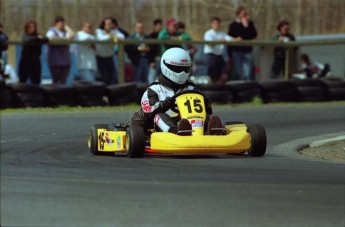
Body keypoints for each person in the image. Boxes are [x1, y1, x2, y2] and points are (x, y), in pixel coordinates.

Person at [128, 47, 222, 136]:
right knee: (159, 116)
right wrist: (163, 105)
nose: (182, 73)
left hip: (187, 123)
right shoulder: (155, 89)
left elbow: (206, 110)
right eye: (178, 69)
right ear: (166, 66)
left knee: (204, 116)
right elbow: (148, 111)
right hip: (162, 127)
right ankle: (176, 132)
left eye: (185, 69)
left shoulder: (191, 88)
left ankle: (212, 130)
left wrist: (206, 103)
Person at [204, 17, 239, 84]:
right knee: (212, 76)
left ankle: (219, 88)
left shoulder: (222, 34)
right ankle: (213, 90)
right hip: (211, 56)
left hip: (219, 56)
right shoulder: (208, 33)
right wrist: (219, 41)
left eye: (218, 23)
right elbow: (210, 44)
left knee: (224, 74)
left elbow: (230, 39)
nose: (216, 25)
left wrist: (237, 39)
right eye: (215, 23)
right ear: (211, 24)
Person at [228, 6, 257, 80]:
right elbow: (229, 38)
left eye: (245, 14)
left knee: (247, 72)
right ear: (238, 14)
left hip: (247, 51)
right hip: (236, 51)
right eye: (243, 14)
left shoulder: (250, 24)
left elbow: (253, 35)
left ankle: (246, 87)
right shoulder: (233, 25)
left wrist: (246, 26)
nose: (245, 16)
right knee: (238, 72)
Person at [95, 17, 125, 85]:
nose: (109, 25)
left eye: (110, 24)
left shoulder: (114, 31)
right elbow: (101, 39)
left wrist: (112, 36)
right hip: (100, 58)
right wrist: (111, 36)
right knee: (103, 77)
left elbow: (122, 37)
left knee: (112, 77)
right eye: (107, 24)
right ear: (103, 25)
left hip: (110, 58)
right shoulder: (99, 31)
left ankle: (111, 93)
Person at [18, 20, 48, 85]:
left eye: (33, 27)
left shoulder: (38, 35)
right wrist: (37, 38)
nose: (32, 28)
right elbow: (27, 40)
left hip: (35, 60)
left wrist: (39, 38)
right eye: (30, 27)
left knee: (36, 80)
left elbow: (46, 39)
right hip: (26, 60)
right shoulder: (25, 36)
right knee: (23, 80)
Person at [46, 16, 74, 84]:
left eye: (63, 23)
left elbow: (72, 35)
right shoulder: (51, 31)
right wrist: (65, 39)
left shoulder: (65, 32)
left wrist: (67, 27)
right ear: (56, 23)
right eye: (60, 23)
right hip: (55, 61)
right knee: (56, 81)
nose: (62, 25)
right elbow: (50, 38)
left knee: (63, 81)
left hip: (65, 61)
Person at [147, 19, 163, 83]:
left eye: (161, 25)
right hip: (154, 60)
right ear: (155, 26)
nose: (160, 27)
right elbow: (149, 50)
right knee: (152, 78)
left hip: (161, 60)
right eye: (159, 25)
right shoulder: (151, 36)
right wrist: (151, 61)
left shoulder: (162, 36)